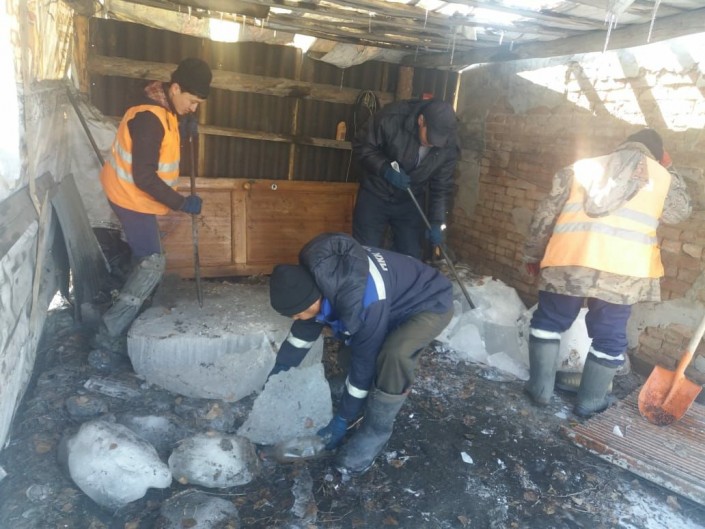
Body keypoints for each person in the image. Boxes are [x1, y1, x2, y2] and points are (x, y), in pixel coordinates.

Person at [523, 129, 692, 417]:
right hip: (624, 270)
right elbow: (680, 212)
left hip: (570, 260)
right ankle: (590, 401)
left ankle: (539, 390)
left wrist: (533, 254)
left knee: (548, 321)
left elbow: (544, 215)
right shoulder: (664, 179)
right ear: (658, 155)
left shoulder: (581, 167)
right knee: (610, 334)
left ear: (621, 144)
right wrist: (668, 168)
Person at [268, 232, 453, 474]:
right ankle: (354, 392)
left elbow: (364, 361)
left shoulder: (365, 300)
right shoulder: (318, 283)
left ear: (313, 300)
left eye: (297, 313)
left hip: (429, 301)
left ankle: (376, 430)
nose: (296, 318)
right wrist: (278, 376)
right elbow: (301, 335)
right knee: (351, 342)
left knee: (394, 354)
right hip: (392, 301)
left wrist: (343, 418)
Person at [96, 58, 213, 350]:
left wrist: (183, 126)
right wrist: (181, 203)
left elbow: (160, 147)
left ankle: (131, 297)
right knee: (152, 262)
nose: (194, 108)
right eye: (192, 101)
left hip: (133, 193)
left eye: (198, 104)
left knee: (147, 254)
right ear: (175, 88)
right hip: (129, 195)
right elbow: (144, 176)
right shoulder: (150, 118)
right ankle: (109, 334)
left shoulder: (164, 107)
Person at [352, 99, 459, 259]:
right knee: (365, 251)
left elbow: (441, 186)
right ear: (421, 120)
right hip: (375, 194)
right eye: (430, 137)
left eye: (438, 141)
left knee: (410, 255)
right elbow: (362, 146)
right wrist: (385, 169)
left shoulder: (449, 145)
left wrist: (437, 221)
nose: (432, 144)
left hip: (410, 200)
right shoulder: (391, 118)